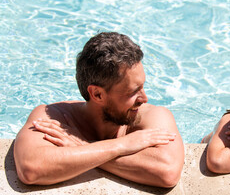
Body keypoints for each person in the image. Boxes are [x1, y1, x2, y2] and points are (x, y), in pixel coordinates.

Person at [14, 32, 184, 187]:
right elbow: (31, 169)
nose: (144, 98)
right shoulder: (54, 117)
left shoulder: (152, 115)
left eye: (142, 87)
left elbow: (167, 173)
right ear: (97, 94)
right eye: (133, 92)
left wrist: (81, 147)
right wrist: (121, 145)